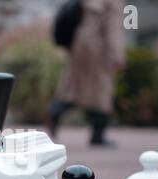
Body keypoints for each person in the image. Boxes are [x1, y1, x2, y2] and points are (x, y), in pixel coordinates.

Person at [48, 0, 126, 146]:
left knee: (73, 86)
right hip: (98, 47)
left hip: (79, 42)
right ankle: (98, 135)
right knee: (101, 90)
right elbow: (113, 28)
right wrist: (117, 55)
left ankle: (55, 110)